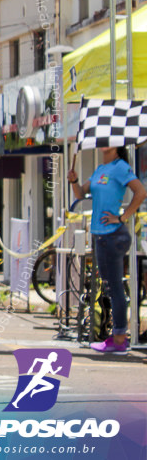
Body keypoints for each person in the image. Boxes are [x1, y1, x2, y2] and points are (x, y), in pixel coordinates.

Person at [68, 146, 146, 353]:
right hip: (100, 236)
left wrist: (121, 217)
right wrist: (74, 180)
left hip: (113, 235)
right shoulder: (101, 169)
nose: (104, 143)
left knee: (114, 287)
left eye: (109, 140)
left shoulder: (121, 167)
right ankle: (118, 337)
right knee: (110, 286)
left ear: (118, 146)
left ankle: (120, 339)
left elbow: (141, 192)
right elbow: (81, 194)